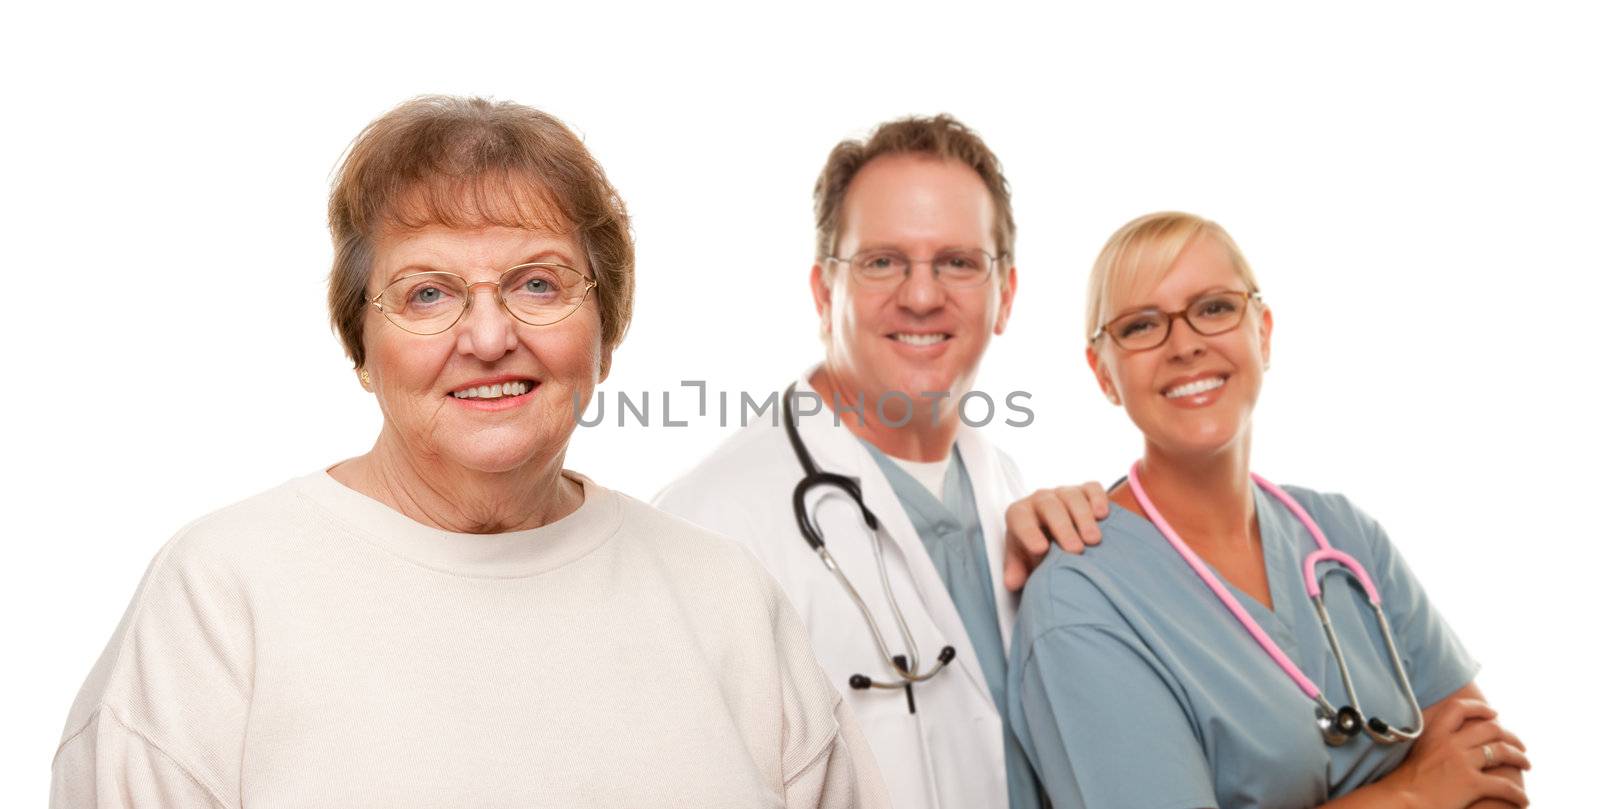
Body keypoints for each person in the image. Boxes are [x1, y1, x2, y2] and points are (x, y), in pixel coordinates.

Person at [50, 96, 887, 809]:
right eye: (427, 293)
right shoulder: (220, 600)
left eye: (537, 283)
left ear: (607, 328)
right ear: (361, 342)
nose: (489, 337)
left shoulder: (728, 599)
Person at [654, 115, 1107, 809]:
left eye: (958, 261)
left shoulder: (1008, 491)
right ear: (823, 292)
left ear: (1005, 295)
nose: (922, 296)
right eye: (881, 261)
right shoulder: (709, 527)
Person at [1005, 211, 1530, 808]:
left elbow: (1492, 768)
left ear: (1263, 332)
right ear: (1104, 373)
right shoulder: (1081, 599)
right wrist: (1414, 792)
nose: (1185, 344)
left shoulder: (1343, 536)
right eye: (1141, 325)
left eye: (1214, 308)